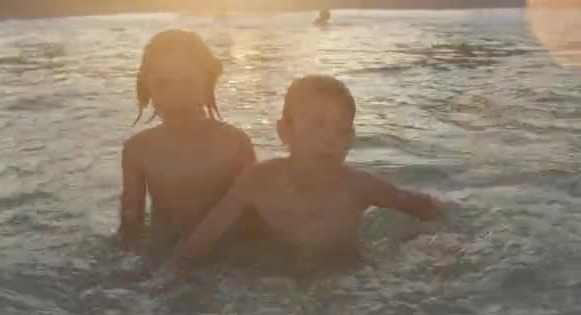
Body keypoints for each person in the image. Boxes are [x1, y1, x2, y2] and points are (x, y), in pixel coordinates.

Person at [171, 74, 452, 276]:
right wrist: (170, 277)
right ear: (285, 132)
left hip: (347, 274)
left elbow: (421, 205)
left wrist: (441, 244)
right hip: (277, 275)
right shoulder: (257, 182)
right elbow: (202, 239)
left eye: (341, 129)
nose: (330, 139)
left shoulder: (358, 187)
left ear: (351, 139)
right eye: (318, 124)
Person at [116, 29, 255, 268]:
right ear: (147, 88)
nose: (175, 94)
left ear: (207, 83)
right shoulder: (138, 150)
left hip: (226, 250)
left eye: (188, 81)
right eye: (162, 84)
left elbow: (256, 211)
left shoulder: (235, 143)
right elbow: (132, 221)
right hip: (163, 250)